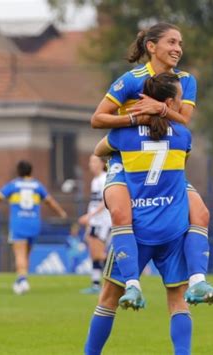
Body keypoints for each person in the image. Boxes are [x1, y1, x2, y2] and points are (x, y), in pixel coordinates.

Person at [90, 22, 213, 307]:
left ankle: (198, 282)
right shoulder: (131, 79)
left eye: (180, 43)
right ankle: (131, 283)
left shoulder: (186, 80)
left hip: (163, 158)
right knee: (120, 211)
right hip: (127, 159)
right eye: (171, 42)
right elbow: (97, 119)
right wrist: (133, 120)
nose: (178, 49)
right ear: (151, 47)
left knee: (200, 213)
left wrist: (160, 110)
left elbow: (185, 120)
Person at [85, 73, 193, 355]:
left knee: (108, 298)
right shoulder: (183, 135)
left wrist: (128, 133)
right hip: (172, 227)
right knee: (178, 299)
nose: (182, 105)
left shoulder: (124, 135)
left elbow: (100, 151)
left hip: (136, 230)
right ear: (168, 102)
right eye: (179, 100)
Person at [0, 160, 67, 294]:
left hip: (19, 223)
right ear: (31, 171)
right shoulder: (37, 186)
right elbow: (51, 202)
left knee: (20, 254)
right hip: (34, 224)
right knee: (26, 255)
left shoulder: (13, 185)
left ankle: (22, 280)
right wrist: (61, 212)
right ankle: (20, 279)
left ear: (18, 171)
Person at [78, 155, 112, 294]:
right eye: (90, 161)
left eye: (94, 161)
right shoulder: (95, 180)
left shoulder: (104, 178)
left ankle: (122, 275)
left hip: (102, 222)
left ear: (101, 163)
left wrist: (89, 216)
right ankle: (96, 284)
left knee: (98, 253)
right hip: (95, 222)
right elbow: (94, 202)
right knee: (95, 254)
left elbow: (106, 201)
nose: (91, 164)